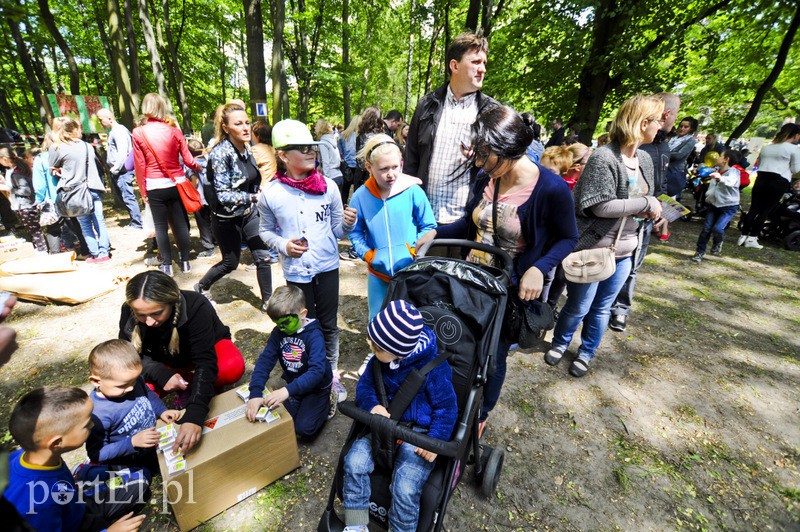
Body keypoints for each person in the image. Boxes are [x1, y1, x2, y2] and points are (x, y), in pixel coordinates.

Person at [422, 106, 578, 425]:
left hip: (506, 291)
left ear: (507, 148)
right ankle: (451, 401)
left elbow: (568, 238)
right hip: (470, 280)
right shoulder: (486, 178)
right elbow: (473, 223)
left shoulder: (551, 189)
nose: (478, 162)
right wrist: (436, 231)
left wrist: (539, 268)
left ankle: (481, 415)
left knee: (493, 356)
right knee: (457, 345)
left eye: (485, 154)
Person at [546, 94, 664, 378]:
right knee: (578, 306)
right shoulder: (603, 157)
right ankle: (561, 343)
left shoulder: (644, 159)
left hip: (626, 250)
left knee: (602, 308)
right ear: (642, 122)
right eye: (657, 120)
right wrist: (646, 204)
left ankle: (586, 352)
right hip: (593, 249)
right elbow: (600, 205)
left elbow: (644, 197)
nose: (661, 125)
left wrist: (656, 213)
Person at [257, 119, 357, 404]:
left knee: (328, 324)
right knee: (303, 324)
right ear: (283, 155)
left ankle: (331, 374)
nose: (311, 152)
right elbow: (264, 231)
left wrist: (348, 225)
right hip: (297, 272)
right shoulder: (272, 193)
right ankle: (306, 374)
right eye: (301, 149)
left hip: (326, 267)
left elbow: (336, 229)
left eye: (312, 147)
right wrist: (284, 246)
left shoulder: (329, 187)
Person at [342, 300, 458, 532]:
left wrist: (435, 440)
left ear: (400, 350)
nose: (371, 350)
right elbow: (365, 388)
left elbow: (447, 407)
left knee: (404, 488)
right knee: (353, 462)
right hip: (384, 428)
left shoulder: (433, 370)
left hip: (417, 437)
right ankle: (356, 525)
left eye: (377, 348)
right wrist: (372, 406)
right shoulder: (378, 362)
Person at [119, 270, 245, 453]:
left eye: (156, 313)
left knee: (230, 367)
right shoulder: (128, 311)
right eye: (140, 315)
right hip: (163, 361)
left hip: (202, 352)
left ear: (171, 302)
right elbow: (128, 356)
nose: (149, 322)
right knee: (130, 388)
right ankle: (187, 383)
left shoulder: (196, 305)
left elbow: (205, 361)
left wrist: (195, 415)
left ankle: (193, 387)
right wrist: (161, 374)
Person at [348, 134, 436, 374]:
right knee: (376, 317)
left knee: (411, 317)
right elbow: (355, 233)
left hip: (409, 273)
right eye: (383, 168)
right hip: (378, 274)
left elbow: (429, 226)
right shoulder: (360, 197)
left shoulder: (412, 191)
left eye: (395, 167)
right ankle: (377, 359)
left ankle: (410, 360)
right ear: (369, 168)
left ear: (402, 164)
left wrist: (416, 249)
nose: (391, 174)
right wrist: (369, 255)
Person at [5, 387, 149, 531]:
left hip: (76, 504)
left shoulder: (33, 455)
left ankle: (83, 478)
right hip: (76, 524)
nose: (93, 424)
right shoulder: (39, 505)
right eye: (87, 425)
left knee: (141, 480)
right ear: (56, 443)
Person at [405, 32, 498, 244]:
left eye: (484, 62)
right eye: (475, 62)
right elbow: (411, 161)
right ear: (454, 66)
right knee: (421, 276)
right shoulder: (427, 105)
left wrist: (481, 158)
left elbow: (501, 170)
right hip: (423, 218)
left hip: (465, 223)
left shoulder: (491, 112)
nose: (482, 69)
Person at [609, 92, 680, 332]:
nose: (669, 121)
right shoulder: (634, 148)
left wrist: (665, 212)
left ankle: (620, 309)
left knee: (634, 266)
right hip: (619, 222)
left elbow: (660, 184)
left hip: (646, 220)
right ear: (666, 114)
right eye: (674, 115)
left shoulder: (663, 146)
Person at [194, 103, 273, 311]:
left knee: (263, 257)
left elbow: (252, 179)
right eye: (239, 124)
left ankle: (268, 301)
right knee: (230, 263)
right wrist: (255, 198)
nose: (246, 127)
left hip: (249, 214)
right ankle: (202, 286)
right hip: (226, 218)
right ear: (226, 128)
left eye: (247, 122)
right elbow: (224, 195)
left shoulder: (247, 150)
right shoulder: (221, 154)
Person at [246, 285, 335, 436]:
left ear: (302, 313)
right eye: (277, 324)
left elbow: (316, 371)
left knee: (304, 429)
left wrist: (286, 391)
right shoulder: (279, 332)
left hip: (317, 388)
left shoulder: (314, 336)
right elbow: (265, 361)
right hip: (296, 387)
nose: (281, 328)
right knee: (280, 420)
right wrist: (255, 393)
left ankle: (328, 400)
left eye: (285, 323)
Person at [132, 93, 201, 276]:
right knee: (180, 224)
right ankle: (186, 262)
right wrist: (199, 167)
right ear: (162, 107)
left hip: (154, 185)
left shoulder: (138, 132)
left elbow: (140, 165)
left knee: (161, 227)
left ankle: (167, 266)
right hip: (176, 183)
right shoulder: (175, 132)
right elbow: (188, 160)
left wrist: (143, 189)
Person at [86, 339, 181, 472]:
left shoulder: (130, 381)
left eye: (135, 381)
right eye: (123, 386)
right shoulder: (97, 414)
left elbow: (147, 393)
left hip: (152, 445)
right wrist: (132, 442)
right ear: (96, 381)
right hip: (129, 460)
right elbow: (97, 453)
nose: (131, 388)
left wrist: (161, 411)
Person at [49, 118, 112, 263]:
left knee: (85, 224)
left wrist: (61, 171)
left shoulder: (57, 147)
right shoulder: (86, 146)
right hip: (94, 188)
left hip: (75, 192)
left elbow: (52, 167)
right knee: (99, 221)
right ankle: (104, 252)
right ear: (75, 129)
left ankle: (95, 254)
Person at [738, 123, 800, 249]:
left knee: (753, 208)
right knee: (765, 211)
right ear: (796, 135)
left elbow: (760, 163)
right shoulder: (794, 149)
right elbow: (795, 169)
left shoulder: (767, 147)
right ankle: (752, 238)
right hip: (779, 180)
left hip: (761, 178)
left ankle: (743, 235)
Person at [691, 149, 742, 262]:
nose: (717, 158)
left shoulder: (734, 172)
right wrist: (698, 172)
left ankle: (718, 242)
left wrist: (720, 178)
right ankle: (699, 252)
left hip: (729, 206)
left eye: (720, 156)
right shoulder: (716, 170)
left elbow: (732, 182)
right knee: (706, 229)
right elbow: (705, 172)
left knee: (718, 228)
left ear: (726, 160)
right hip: (713, 204)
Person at [97, 108, 143, 230]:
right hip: (120, 170)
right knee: (125, 196)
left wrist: (115, 169)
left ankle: (137, 223)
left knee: (128, 196)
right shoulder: (115, 131)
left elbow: (122, 153)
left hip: (122, 170)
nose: (100, 123)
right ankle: (135, 220)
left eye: (101, 120)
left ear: (109, 118)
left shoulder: (119, 132)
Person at [0, 148, 47, 253]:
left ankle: (42, 250)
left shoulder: (17, 172)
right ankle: (40, 249)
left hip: (26, 206)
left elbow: (25, 190)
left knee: (34, 231)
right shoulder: (17, 169)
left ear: (4, 159)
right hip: (24, 205)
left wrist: (8, 189)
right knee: (33, 230)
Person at [662, 116, 698, 241]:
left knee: (669, 198)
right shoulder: (673, 138)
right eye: (681, 126)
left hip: (676, 172)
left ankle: (665, 228)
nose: (682, 128)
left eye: (686, 126)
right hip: (666, 169)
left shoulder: (691, 141)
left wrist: (663, 154)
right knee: (663, 197)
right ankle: (662, 227)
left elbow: (679, 155)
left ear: (691, 128)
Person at [185, 138, 216, 258]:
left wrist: (190, 192)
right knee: (213, 219)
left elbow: (195, 181)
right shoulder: (208, 161)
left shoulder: (191, 165)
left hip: (200, 197)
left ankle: (208, 248)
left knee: (203, 223)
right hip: (212, 197)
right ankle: (216, 240)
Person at [354, 107, 384, 193]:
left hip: (364, 175)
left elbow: (360, 161)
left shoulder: (362, 136)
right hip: (374, 174)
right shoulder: (382, 136)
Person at [338, 114, 360, 204]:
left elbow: (340, 151)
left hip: (346, 165)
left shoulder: (343, 135)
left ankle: (343, 205)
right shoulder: (360, 136)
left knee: (345, 189)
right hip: (358, 165)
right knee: (357, 189)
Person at [315, 119, 343, 186]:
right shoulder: (333, 140)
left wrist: (326, 180)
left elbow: (325, 161)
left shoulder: (323, 142)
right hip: (339, 175)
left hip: (331, 177)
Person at [251, 120, 277, 184]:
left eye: (252, 134)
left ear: (258, 136)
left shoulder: (256, 149)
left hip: (263, 187)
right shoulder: (273, 149)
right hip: (274, 184)